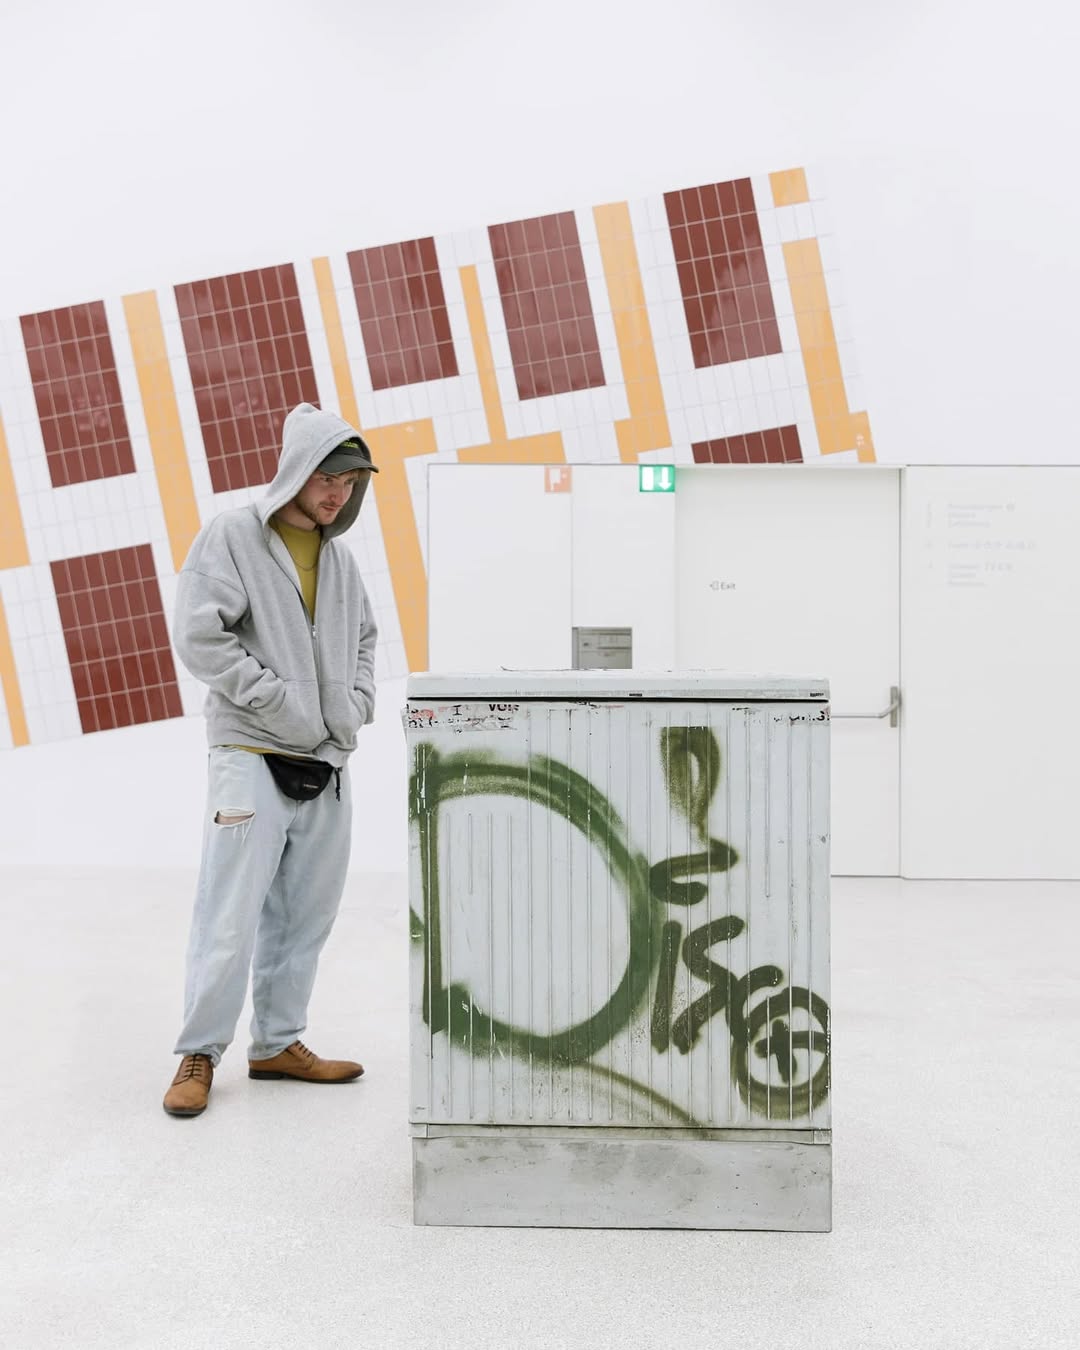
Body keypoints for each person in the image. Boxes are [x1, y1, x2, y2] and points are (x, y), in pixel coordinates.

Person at [162, 402, 379, 1118]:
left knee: (305, 916)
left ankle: (278, 1043)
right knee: (229, 914)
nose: (337, 494)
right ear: (296, 471)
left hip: (328, 760)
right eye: (327, 478)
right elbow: (200, 636)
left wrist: (353, 704)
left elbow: (366, 639)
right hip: (251, 750)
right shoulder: (233, 536)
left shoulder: (340, 561)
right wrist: (276, 699)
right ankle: (199, 1052)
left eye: (349, 483)